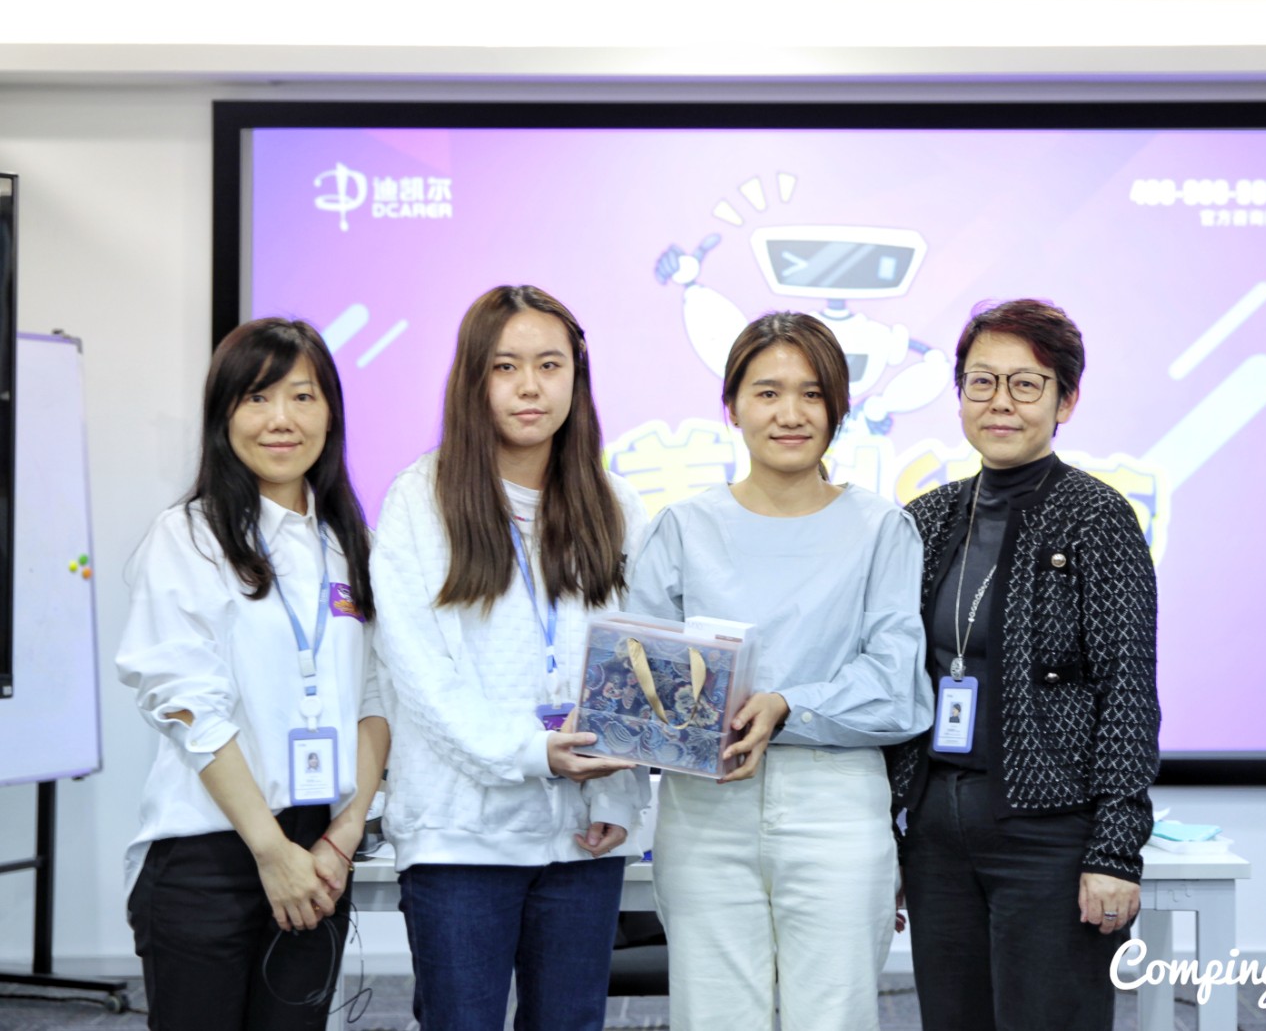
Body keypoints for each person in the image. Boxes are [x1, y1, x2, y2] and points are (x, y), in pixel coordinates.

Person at [629, 311, 933, 1031]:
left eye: (812, 394)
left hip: (836, 805)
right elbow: (640, 674)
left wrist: (786, 705)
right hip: (706, 807)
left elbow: (898, 688)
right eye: (767, 392)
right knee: (713, 1018)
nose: (790, 414)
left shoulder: (882, 529)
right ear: (731, 406)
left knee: (834, 1017)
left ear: (838, 409)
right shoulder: (682, 528)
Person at [370, 285, 650, 1031]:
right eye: (506, 366)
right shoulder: (420, 500)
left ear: (575, 378)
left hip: (581, 836)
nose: (530, 386)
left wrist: (615, 797)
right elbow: (419, 676)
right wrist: (531, 752)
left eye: (549, 365)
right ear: (474, 379)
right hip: (460, 835)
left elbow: (634, 662)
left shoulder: (616, 504)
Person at [888, 298, 1161, 1031]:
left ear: (1065, 401)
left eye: (1026, 384)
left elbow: (1128, 690)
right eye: (981, 382)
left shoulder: (1097, 517)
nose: (1000, 402)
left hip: (1050, 835)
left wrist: (1114, 850)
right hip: (937, 832)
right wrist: (892, 834)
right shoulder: (926, 519)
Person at [120, 318, 389, 1031]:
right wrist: (270, 851)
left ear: (330, 414)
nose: (281, 420)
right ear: (224, 415)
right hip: (211, 851)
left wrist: (343, 838)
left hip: (321, 849)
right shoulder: (189, 537)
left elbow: (374, 699)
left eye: (302, 397)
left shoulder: (351, 544)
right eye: (257, 398)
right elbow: (186, 703)